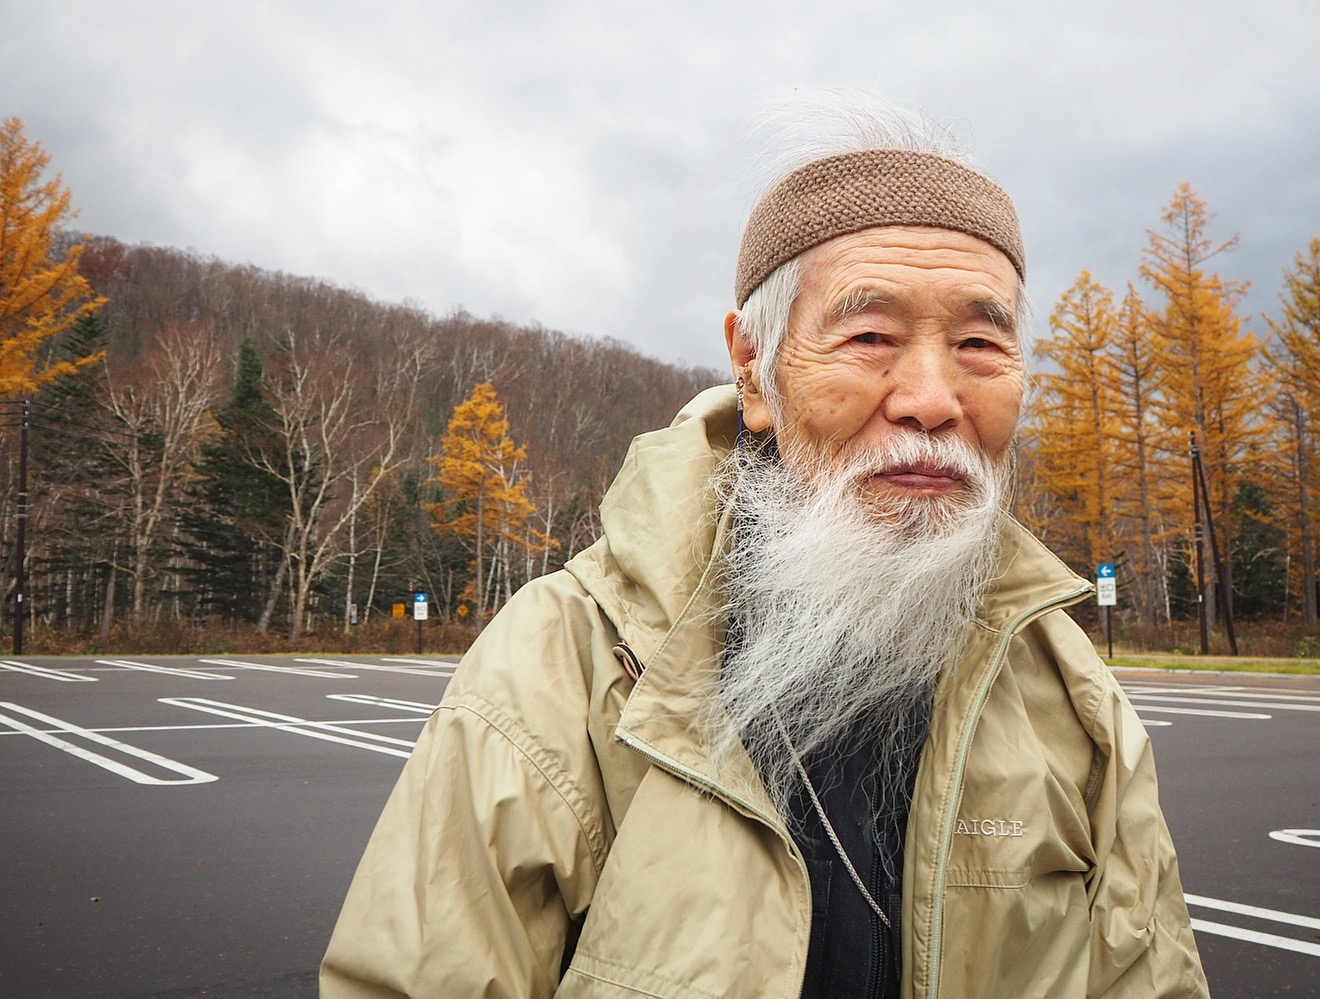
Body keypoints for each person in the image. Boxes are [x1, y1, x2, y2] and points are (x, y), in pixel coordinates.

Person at [321, 99, 1210, 998]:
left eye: (980, 342)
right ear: (753, 367)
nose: (932, 399)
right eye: (869, 336)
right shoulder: (567, 660)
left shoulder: (1070, 693)